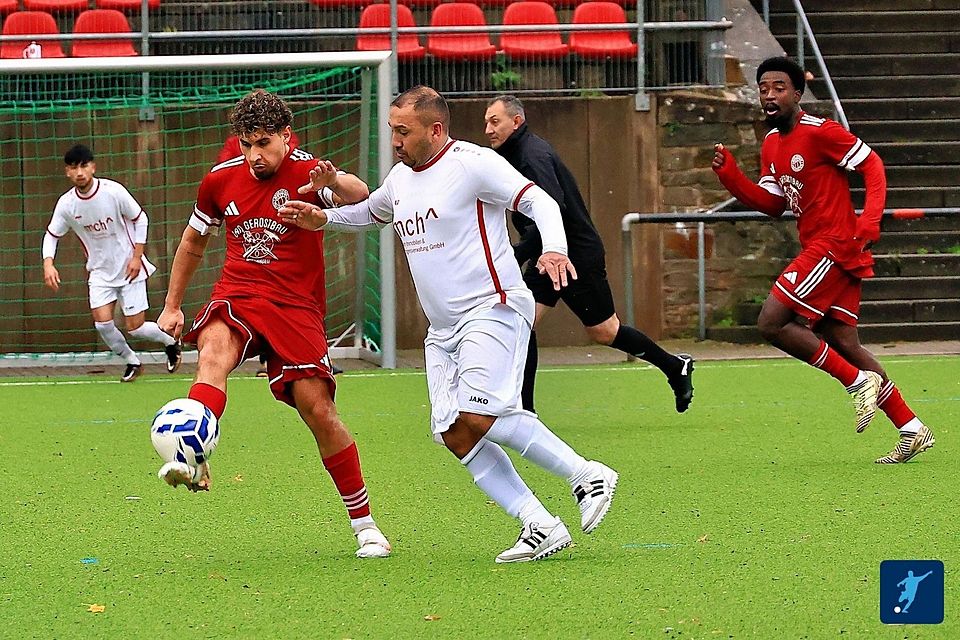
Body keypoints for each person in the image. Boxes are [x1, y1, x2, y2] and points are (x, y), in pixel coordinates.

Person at [280, 86, 618, 563]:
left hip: (492, 307)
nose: (395, 140)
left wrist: (554, 247)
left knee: (482, 413)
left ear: (435, 130)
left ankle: (586, 473)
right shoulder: (401, 178)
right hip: (442, 332)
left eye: (404, 131)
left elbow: (540, 201)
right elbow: (373, 212)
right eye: (392, 130)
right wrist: (324, 218)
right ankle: (539, 524)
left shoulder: (472, 163)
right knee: (455, 432)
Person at [157, 89, 391, 559]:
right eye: (246, 144)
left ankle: (364, 524)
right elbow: (193, 243)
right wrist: (172, 305)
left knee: (318, 410)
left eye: (263, 142)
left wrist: (334, 181)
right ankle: (192, 457)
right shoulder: (220, 181)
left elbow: (362, 195)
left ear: (285, 136)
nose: (254, 155)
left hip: (295, 305)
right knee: (213, 352)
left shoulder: (308, 171)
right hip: (238, 293)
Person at [711, 56, 935, 464]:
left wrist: (869, 220)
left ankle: (854, 383)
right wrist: (732, 179)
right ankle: (911, 427)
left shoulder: (820, 131)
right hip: (824, 245)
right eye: (763, 89)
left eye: (779, 87)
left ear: (798, 93)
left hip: (834, 243)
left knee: (771, 322)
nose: (769, 95)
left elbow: (873, 165)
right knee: (843, 340)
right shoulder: (771, 143)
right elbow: (774, 204)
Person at [484, 95, 695, 414]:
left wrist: (517, 253)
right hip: (545, 254)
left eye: (494, 121)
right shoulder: (510, 155)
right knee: (519, 321)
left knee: (604, 331)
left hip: (574, 255)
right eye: (486, 122)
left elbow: (553, 206)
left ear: (517, 121)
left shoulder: (531, 154)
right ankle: (524, 413)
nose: (487, 129)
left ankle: (674, 367)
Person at [42, 144, 181, 382]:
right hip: (99, 272)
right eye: (74, 168)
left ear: (93, 167)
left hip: (129, 269)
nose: (79, 172)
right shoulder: (66, 205)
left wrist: (137, 257)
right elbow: (52, 235)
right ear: (67, 172)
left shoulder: (113, 191)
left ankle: (170, 342)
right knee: (103, 324)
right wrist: (48, 264)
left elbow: (141, 219)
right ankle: (132, 361)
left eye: (84, 166)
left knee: (135, 327)